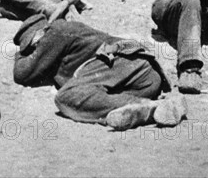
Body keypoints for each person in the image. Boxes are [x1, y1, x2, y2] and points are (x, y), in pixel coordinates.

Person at [13, 14, 187, 132]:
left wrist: (20, 54)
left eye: (32, 46)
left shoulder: (55, 30)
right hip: (146, 77)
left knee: (66, 96)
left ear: (38, 34)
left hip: (122, 61)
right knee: (99, 96)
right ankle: (157, 107)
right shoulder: (68, 34)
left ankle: (147, 106)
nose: (35, 50)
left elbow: (22, 74)